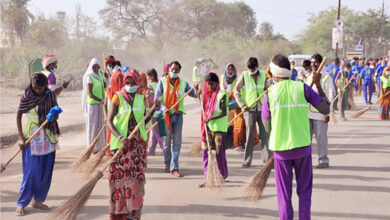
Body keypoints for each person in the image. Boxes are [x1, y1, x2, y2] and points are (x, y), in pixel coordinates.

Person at [262, 54, 330, 220]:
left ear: (274, 73)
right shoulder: (303, 88)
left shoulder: (270, 94)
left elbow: (266, 124)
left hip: (281, 152)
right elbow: (325, 109)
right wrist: (319, 85)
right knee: (305, 193)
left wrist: (273, 149)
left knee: (284, 195)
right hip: (302, 148)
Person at [107, 69, 155, 220]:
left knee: (136, 181)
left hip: (137, 148)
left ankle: (133, 214)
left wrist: (153, 110)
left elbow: (144, 120)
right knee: (119, 181)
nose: (129, 85)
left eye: (132, 83)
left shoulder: (141, 98)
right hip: (121, 148)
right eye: (126, 83)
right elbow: (109, 121)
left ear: (137, 83)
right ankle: (120, 214)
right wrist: (120, 137)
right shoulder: (117, 98)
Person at [15, 73, 61, 216]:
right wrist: (21, 137)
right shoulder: (27, 96)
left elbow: (57, 113)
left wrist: (53, 115)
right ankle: (22, 203)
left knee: (45, 172)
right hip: (32, 137)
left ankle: (38, 200)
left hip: (48, 137)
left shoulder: (50, 95)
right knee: (31, 172)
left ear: (45, 86)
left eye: (41, 88)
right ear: (31, 85)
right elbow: (19, 115)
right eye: (36, 88)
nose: (38, 91)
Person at [154, 61, 198, 177]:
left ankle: (174, 167)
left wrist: (197, 91)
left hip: (178, 116)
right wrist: (164, 108)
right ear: (169, 70)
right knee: (166, 142)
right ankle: (167, 163)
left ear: (179, 71)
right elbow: (157, 100)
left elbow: (192, 93)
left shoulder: (183, 83)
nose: (174, 71)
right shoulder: (162, 82)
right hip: (165, 116)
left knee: (177, 143)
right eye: (172, 69)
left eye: (176, 70)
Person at [234, 57, 270, 167]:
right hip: (249, 109)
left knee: (265, 135)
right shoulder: (244, 76)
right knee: (249, 136)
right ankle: (247, 160)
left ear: (257, 67)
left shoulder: (264, 75)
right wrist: (242, 105)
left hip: (262, 109)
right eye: (249, 68)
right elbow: (236, 92)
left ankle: (266, 160)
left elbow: (268, 90)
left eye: (252, 68)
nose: (251, 71)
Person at [199, 72, 229, 187]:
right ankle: (207, 177)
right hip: (209, 128)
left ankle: (222, 175)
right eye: (208, 84)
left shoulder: (222, 95)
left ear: (217, 83)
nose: (210, 87)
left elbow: (224, 112)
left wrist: (211, 118)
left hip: (219, 129)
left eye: (212, 84)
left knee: (219, 154)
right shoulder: (208, 94)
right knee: (206, 153)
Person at [305, 54, 334, 168]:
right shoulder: (308, 76)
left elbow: (329, 96)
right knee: (306, 140)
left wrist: (327, 113)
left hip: (320, 114)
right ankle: (306, 161)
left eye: (316, 62)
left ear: (321, 63)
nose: (313, 64)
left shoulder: (326, 77)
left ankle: (323, 160)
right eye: (312, 62)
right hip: (307, 113)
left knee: (321, 138)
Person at [81, 58, 106, 154]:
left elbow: (104, 85)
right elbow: (90, 93)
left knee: (100, 125)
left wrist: (105, 78)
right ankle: (91, 147)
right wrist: (100, 100)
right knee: (92, 126)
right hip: (92, 104)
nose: (96, 68)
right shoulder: (89, 77)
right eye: (94, 67)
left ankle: (100, 146)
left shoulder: (100, 74)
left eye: (97, 67)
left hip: (100, 104)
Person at [220, 63, 245, 150]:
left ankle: (233, 143)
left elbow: (237, 92)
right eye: (229, 69)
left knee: (232, 125)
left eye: (232, 69)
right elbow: (221, 90)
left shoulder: (237, 80)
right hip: (223, 104)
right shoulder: (222, 78)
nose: (230, 71)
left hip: (233, 105)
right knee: (224, 125)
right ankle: (225, 143)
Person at [103, 70, 124, 154]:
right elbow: (104, 105)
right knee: (110, 137)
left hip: (120, 120)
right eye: (117, 80)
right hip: (110, 119)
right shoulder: (108, 91)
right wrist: (105, 116)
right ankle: (110, 153)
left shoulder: (124, 93)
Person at [146, 68, 164, 156]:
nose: (147, 78)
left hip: (155, 112)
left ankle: (165, 151)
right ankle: (152, 149)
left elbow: (152, 100)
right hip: (162, 111)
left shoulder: (151, 87)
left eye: (148, 76)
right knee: (156, 133)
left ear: (151, 76)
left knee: (158, 134)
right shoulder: (161, 83)